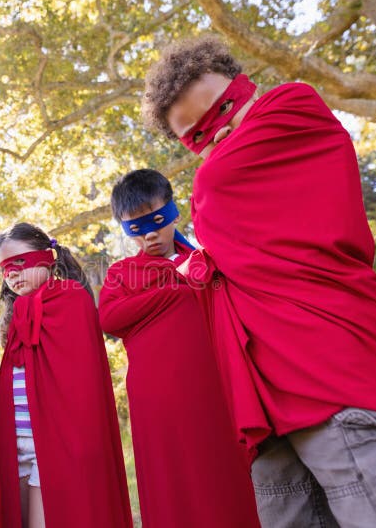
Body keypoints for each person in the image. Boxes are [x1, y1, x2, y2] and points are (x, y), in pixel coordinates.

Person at [142, 35, 376, 527]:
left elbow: (218, 185)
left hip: (344, 389)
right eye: (198, 136)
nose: (220, 132)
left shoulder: (292, 109)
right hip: (274, 418)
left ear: (246, 87)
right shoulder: (227, 189)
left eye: (224, 108)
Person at [98, 168, 260, 527]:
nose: (150, 234)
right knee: (173, 480)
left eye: (156, 221)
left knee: (226, 473)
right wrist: (175, 289)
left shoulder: (208, 258)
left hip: (215, 385)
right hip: (158, 397)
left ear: (173, 211)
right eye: (136, 227)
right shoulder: (123, 272)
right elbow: (109, 318)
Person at [0, 223, 132, 528]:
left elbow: (81, 384)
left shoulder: (71, 300)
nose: (12, 273)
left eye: (19, 262)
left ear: (47, 257)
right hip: (16, 441)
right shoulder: (16, 311)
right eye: (4, 268)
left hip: (57, 442)